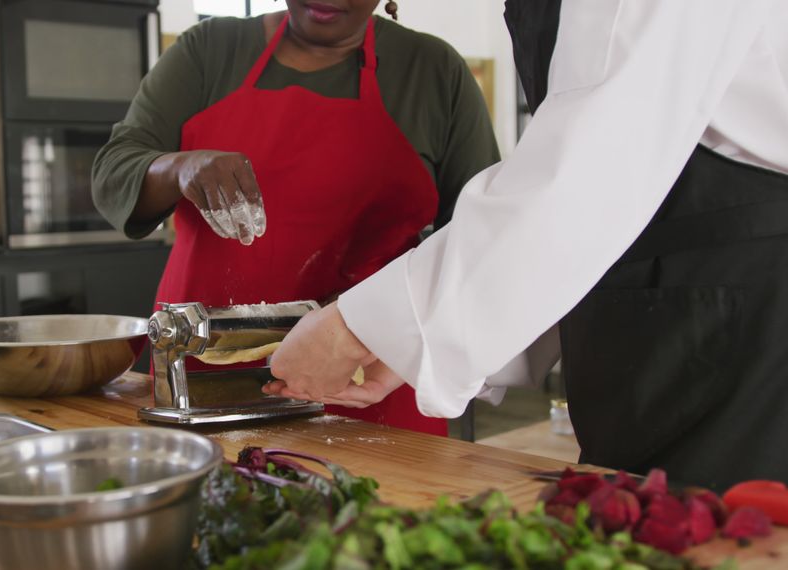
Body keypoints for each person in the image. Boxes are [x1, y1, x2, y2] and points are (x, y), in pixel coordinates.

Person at [267, 0, 788, 491]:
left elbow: (590, 173)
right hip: (664, 320)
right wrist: (402, 344)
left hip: (740, 324)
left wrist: (361, 328)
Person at [93, 0, 500, 434]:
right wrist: (179, 168)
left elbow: (482, 241)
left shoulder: (434, 73)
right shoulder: (210, 51)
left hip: (365, 382)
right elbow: (113, 171)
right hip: (203, 377)